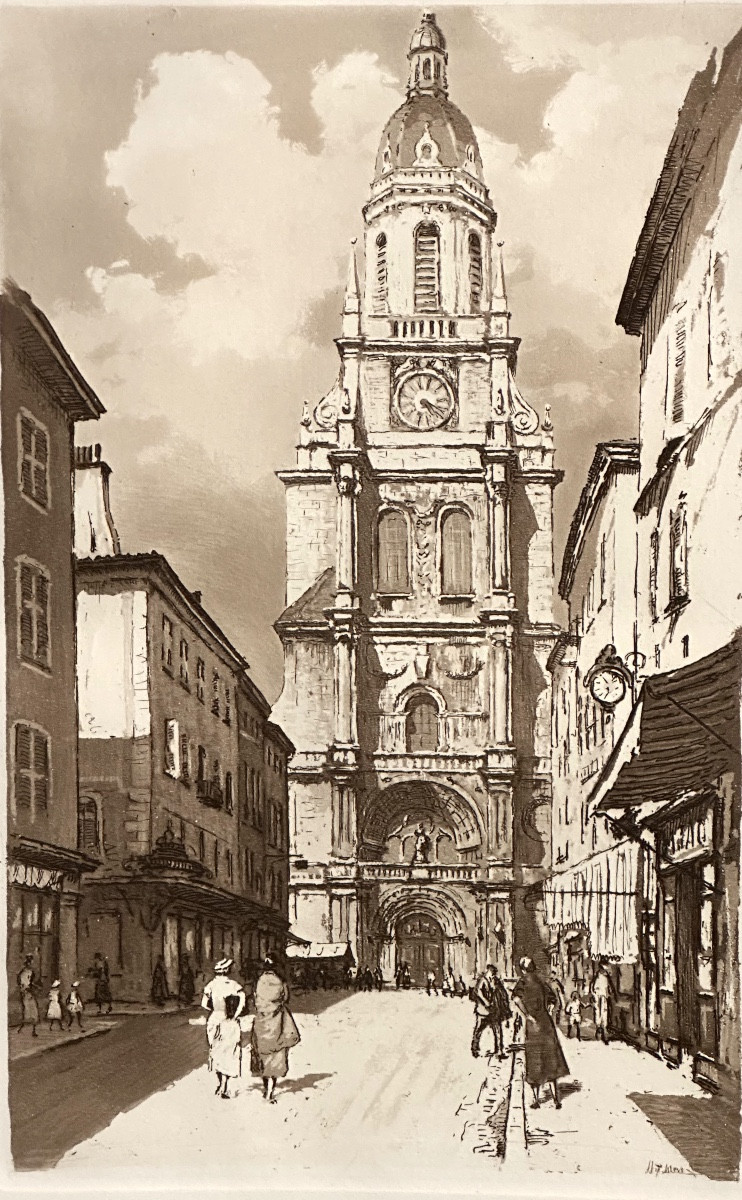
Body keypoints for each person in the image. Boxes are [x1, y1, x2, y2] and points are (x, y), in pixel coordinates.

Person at [512, 957, 569, 1110]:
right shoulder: (541, 981)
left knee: (535, 1060)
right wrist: (548, 1011)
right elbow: (552, 1000)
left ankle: (536, 1100)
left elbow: (516, 999)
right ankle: (556, 1100)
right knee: (551, 1058)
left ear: (523, 969)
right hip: (546, 1022)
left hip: (533, 1024)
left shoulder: (523, 982)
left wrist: (527, 1015)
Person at [251, 956, 300, 1104]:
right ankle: (270, 1092)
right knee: (277, 1052)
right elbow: (286, 998)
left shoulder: (259, 981)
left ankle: (266, 1086)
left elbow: (255, 999)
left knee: (262, 1051)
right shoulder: (280, 982)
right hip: (277, 1019)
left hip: (262, 1020)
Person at [202, 957, 247, 1094]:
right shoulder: (234, 985)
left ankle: (220, 1083)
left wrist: (215, 1011)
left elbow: (204, 1004)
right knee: (228, 1052)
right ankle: (224, 1084)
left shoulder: (210, 985)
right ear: (227, 970)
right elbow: (242, 1003)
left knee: (216, 1050)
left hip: (215, 1019)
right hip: (229, 1021)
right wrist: (235, 1015)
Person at [471, 963, 511, 1058]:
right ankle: (475, 1048)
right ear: (488, 970)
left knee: (497, 1030)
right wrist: (486, 1002)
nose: (493, 974)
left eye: (494, 972)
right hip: (483, 1011)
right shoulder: (482, 980)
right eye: (492, 972)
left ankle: (499, 1050)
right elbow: (478, 992)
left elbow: (502, 992)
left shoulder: (496, 981)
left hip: (494, 1010)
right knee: (479, 1030)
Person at [210, 993, 243, 1100]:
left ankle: (221, 1087)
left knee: (221, 1068)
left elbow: (217, 1036)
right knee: (227, 1069)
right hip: (231, 1049)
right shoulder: (236, 1024)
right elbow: (237, 1038)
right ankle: (224, 1088)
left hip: (221, 1048)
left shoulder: (222, 1022)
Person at [592, 963, 615, 1044]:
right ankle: (599, 1029)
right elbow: (594, 987)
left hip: (604, 997)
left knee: (604, 1012)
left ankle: (603, 1029)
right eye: (603, 969)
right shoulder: (597, 977)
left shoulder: (606, 977)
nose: (604, 971)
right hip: (598, 996)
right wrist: (595, 994)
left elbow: (609, 987)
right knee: (598, 1012)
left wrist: (609, 991)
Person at [17, 956, 39, 1037]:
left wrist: (35, 986)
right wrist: (25, 989)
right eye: (31, 963)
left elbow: (30, 982)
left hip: (29, 993)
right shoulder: (24, 973)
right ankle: (22, 1028)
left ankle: (33, 1030)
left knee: (34, 1011)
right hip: (26, 993)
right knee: (27, 1011)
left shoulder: (30, 972)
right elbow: (23, 983)